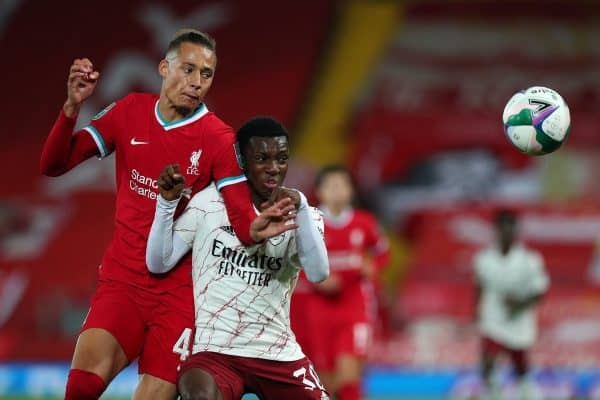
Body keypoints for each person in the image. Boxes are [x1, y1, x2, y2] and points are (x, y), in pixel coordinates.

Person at [39, 29, 275, 400]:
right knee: (81, 387)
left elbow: (242, 219)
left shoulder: (218, 138)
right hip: (123, 283)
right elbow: (54, 165)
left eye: (207, 74)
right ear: (164, 68)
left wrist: (260, 227)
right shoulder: (129, 111)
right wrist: (71, 108)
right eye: (189, 69)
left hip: (181, 297)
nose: (197, 83)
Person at [146, 116, 330, 400]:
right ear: (242, 161)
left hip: (277, 353)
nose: (273, 169)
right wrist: (166, 203)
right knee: (197, 392)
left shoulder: (303, 215)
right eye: (262, 158)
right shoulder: (209, 205)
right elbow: (159, 262)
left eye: (282, 159)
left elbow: (318, 274)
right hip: (216, 353)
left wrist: (303, 207)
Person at [291, 165, 390, 400]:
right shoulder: (309, 224)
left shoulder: (364, 223)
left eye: (342, 185)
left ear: (351, 190)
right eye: (331, 185)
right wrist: (317, 281)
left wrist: (372, 266)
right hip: (318, 310)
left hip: (354, 306)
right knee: (326, 381)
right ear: (320, 191)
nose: (337, 190)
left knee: (349, 377)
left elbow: (382, 252)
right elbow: (295, 262)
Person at [474, 209, 549, 398]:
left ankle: (527, 392)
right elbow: (479, 287)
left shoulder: (529, 260)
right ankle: (493, 394)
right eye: (502, 227)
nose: (506, 231)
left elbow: (540, 291)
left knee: (520, 366)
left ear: (516, 230)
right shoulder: (484, 259)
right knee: (487, 363)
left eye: (510, 227)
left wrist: (520, 304)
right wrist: (475, 312)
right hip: (493, 318)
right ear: (496, 229)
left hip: (519, 320)